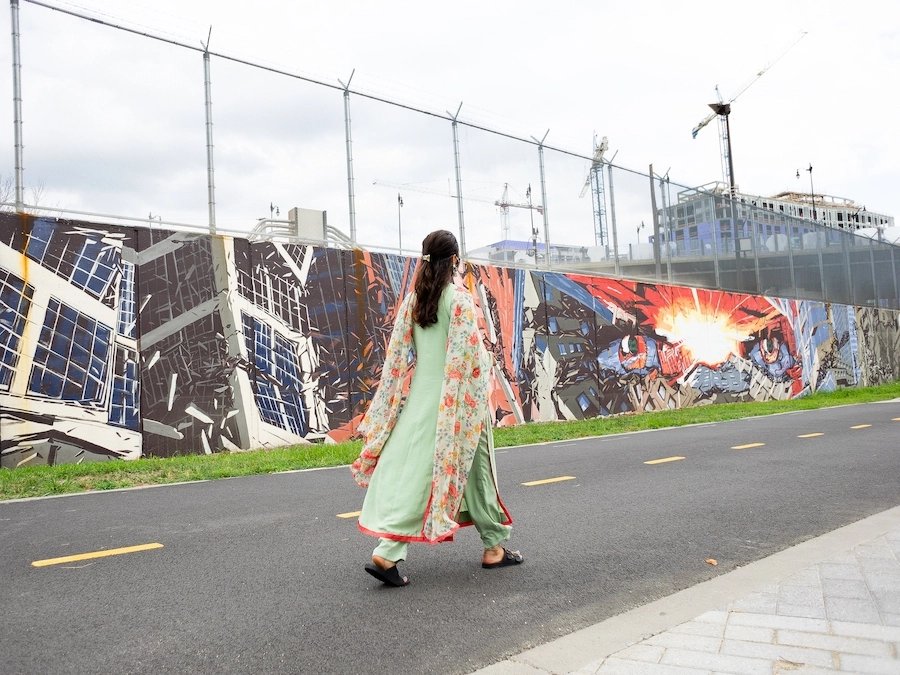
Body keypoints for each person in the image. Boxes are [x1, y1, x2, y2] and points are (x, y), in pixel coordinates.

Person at [351, 229, 522, 587]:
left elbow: (396, 358)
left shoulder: (415, 301)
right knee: (434, 474)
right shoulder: (458, 300)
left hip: (420, 402)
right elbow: (468, 359)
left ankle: (493, 544)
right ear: (455, 261)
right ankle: (388, 550)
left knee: (466, 470)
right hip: (457, 404)